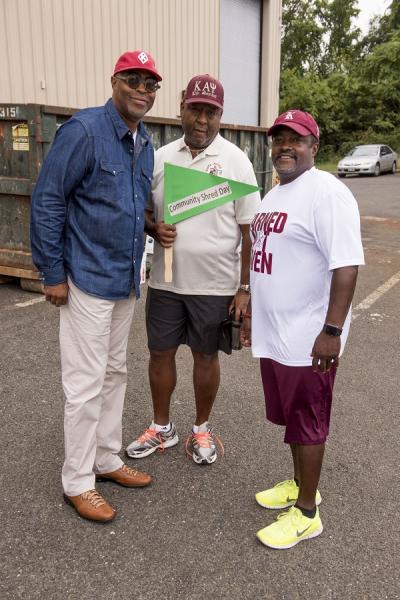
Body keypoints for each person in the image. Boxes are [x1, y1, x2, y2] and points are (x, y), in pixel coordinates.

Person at [30, 50, 162, 522]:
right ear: (114, 81)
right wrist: (52, 273)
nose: (142, 90)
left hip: (124, 279)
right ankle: (78, 481)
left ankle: (106, 458)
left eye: (150, 83)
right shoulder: (84, 131)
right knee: (85, 384)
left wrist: (152, 228)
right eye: (133, 80)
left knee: (114, 373)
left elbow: (128, 206)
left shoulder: (144, 142)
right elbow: (48, 200)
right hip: (86, 278)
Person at [243, 110, 364, 549]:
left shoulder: (326, 192)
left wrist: (331, 330)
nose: (285, 147)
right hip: (277, 333)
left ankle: (308, 512)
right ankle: (298, 484)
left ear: (314, 146)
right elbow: (265, 259)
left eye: (295, 139)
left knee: (309, 422)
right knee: (292, 419)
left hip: (308, 337)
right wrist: (253, 314)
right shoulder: (275, 194)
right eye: (279, 139)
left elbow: (346, 265)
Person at [126, 74, 261, 465]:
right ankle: (162, 428)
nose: (202, 120)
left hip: (215, 286)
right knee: (159, 354)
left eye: (211, 112)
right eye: (195, 110)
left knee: (205, 357)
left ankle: (202, 428)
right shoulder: (161, 157)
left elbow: (251, 234)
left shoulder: (236, 161)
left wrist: (245, 288)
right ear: (181, 108)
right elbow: (144, 211)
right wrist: (154, 228)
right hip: (166, 281)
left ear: (220, 115)